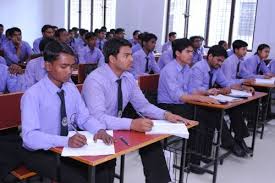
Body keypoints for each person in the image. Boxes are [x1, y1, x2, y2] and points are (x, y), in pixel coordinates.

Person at [82, 38, 195, 183]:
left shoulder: (127, 77)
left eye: (131, 54)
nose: (132, 59)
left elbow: (143, 106)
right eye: (126, 55)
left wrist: (166, 114)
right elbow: (97, 118)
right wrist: (131, 124)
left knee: (151, 142)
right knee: (104, 171)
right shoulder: (95, 80)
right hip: (95, 130)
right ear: (112, 59)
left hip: (116, 123)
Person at [21, 40, 115, 183]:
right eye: (64, 66)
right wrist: (65, 141)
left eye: (72, 66)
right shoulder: (33, 95)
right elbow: (30, 137)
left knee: (105, 167)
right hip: (43, 151)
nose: (70, 71)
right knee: (78, 177)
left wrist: (99, 130)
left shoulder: (70, 89)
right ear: (48, 66)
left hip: (68, 146)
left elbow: (84, 118)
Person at [189, 45, 254, 158]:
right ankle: (230, 142)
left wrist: (242, 87)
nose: (220, 64)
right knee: (216, 114)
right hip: (196, 101)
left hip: (209, 100)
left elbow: (226, 83)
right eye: (218, 60)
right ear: (210, 56)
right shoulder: (198, 68)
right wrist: (217, 91)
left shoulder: (216, 69)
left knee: (236, 108)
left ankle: (238, 139)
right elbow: (194, 90)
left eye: (222, 61)